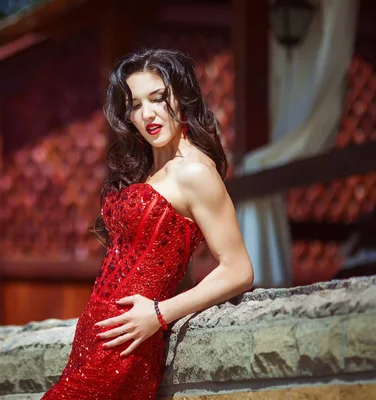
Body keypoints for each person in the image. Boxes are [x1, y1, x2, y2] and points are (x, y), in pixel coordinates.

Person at [42, 48, 254, 399]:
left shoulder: (195, 173)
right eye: (136, 104)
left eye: (158, 98)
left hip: (129, 343)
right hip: (97, 334)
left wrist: (159, 314)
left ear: (182, 97)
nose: (147, 114)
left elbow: (238, 270)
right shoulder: (147, 168)